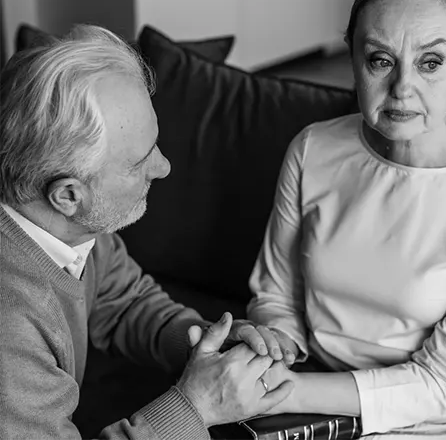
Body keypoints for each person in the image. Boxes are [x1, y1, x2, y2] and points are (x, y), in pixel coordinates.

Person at [235, 0, 446, 439]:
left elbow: (440, 383)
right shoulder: (313, 148)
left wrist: (288, 389)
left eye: (431, 62)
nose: (402, 88)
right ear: (353, 59)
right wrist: (275, 345)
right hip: (313, 408)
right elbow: (276, 293)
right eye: (380, 60)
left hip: (435, 424)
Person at [0, 25, 293, 439]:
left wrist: (208, 344)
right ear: (68, 195)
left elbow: (124, 302)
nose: (164, 167)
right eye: (139, 163)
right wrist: (195, 407)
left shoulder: (74, 228)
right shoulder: (10, 330)